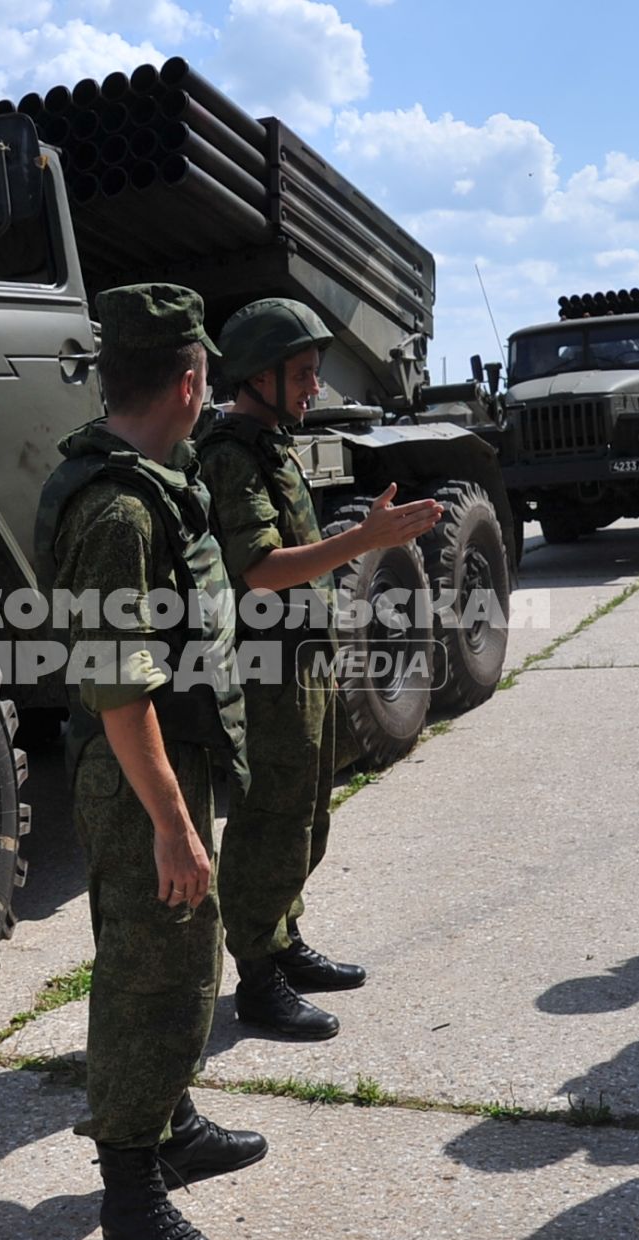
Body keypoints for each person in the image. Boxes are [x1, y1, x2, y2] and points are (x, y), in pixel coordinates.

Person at [35, 282, 264, 1240]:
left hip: (164, 759)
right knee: (150, 970)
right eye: (205, 371)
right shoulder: (120, 508)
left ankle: (170, 1123)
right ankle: (132, 1192)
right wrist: (172, 821)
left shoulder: (150, 481)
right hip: (139, 776)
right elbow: (117, 684)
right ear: (188, 378)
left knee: (178, 954)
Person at [196, 298, 444, 1039]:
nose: (314, 388)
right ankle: (257, 972)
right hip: (267, 667)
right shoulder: (231, 455)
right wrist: (364, 539)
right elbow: (261, 569)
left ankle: (282, 938)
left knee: (307, 815)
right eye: (303, 373)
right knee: (269, 818)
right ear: (259, 376)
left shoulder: (270, 444)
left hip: (302, 660)